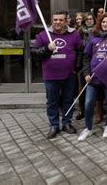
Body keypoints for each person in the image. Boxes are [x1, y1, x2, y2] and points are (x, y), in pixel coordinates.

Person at [32, 11, 83, 139]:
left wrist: (76, 68)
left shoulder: (74, 35)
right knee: (52, 102)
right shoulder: (44, 35)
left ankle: (66, 123)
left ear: (66, 21)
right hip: (50, 75)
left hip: (69, 75)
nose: (57, 22)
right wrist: (46, 49)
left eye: (61, 20)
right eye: (55, 20)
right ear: (52, 20)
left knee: (68, 100)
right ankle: (54, 125)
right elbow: (34, 53)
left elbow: (80, 52)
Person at [78, 13, 107, 141]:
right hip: (93, 78)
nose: (105, 24)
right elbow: (86, 57)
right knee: (88, 103)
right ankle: (88, 128)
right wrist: (86, 74)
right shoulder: (93, 39)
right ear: (99, 23)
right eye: (103, 22)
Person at [75, 12, 96, 121]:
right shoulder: (79, 32)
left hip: (96, 62)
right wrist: (78, 65)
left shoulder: (97, 31)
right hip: (83, 63)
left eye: (91, 19)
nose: (89, 21)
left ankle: (97, 110)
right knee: (82, 88)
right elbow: (77, 50)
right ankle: (82, 110)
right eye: (87, 19)